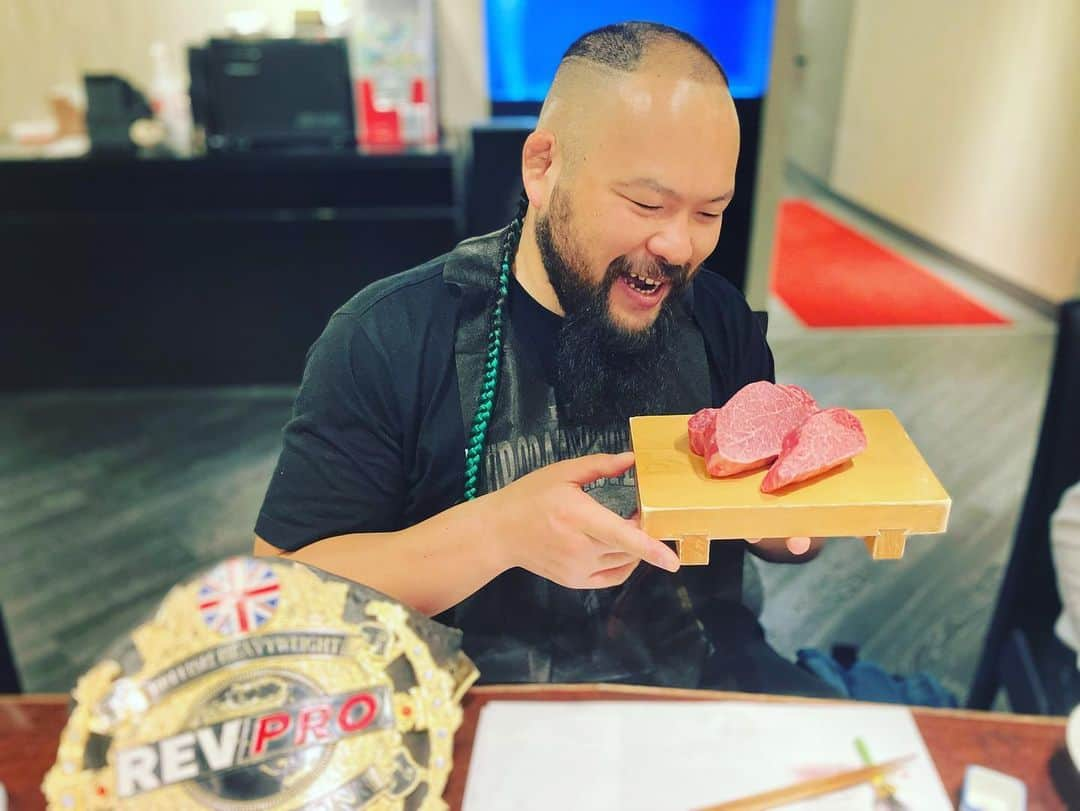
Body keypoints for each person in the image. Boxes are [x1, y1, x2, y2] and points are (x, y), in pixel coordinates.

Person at [254, 22, 835, 696]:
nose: (679, 246)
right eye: (647, 202)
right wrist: (497, 534)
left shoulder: (717, 316)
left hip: (698, 683)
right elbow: (280, 593)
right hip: (471, 701)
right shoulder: (389, 336)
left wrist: (792, 520)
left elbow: (774, 515)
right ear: (543, 166)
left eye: (710, 212)